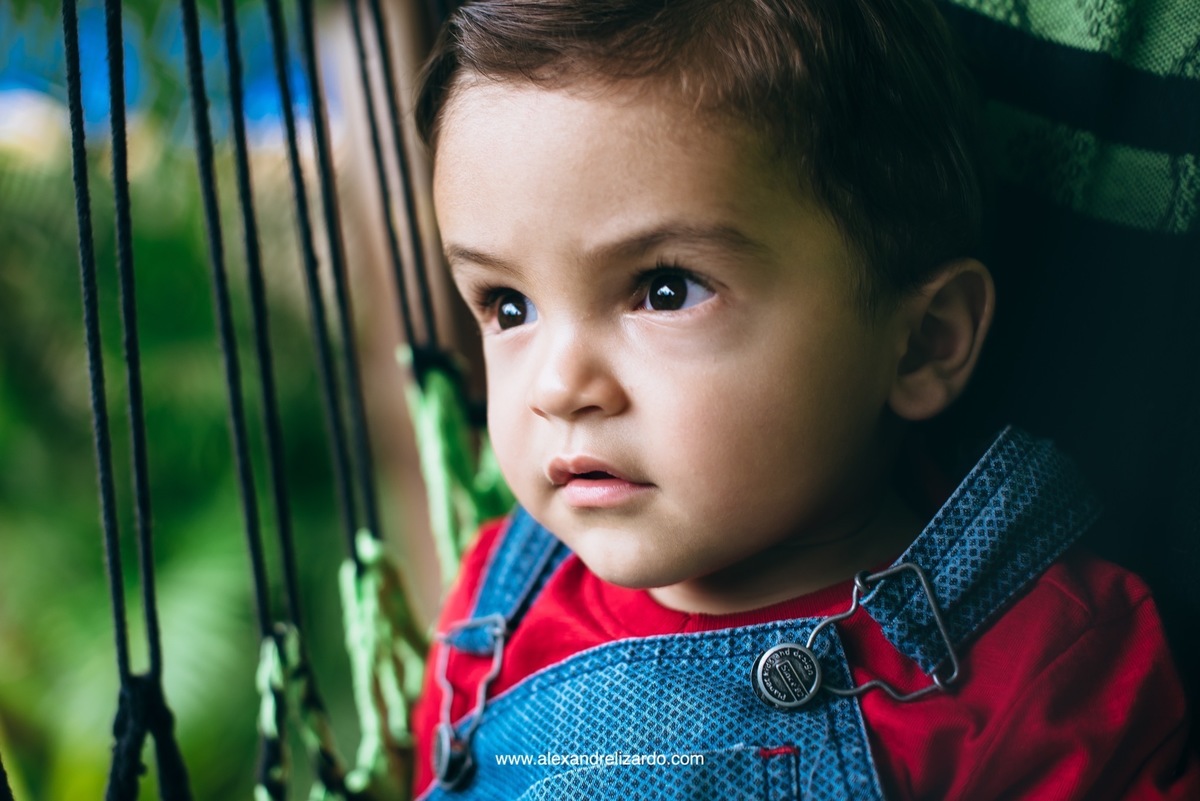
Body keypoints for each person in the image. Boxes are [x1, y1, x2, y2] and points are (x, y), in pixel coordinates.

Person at [407, 0, 1200, 798]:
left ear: (923, 341)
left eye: (665, 289)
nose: (556, 386)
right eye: (508, 306)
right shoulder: (498, 604)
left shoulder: (1040, 673)